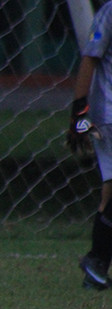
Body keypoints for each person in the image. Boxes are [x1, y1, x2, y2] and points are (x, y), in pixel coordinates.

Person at [70, 2, 112, 290]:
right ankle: (96, 261)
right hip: (108, 115)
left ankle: (96, 266)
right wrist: (79, 113)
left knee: (110, 189)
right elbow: (90, 57)